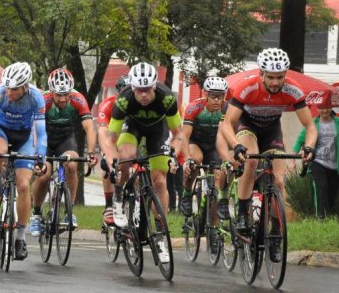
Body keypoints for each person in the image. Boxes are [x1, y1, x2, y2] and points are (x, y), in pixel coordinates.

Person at [218, 48, 316, 248]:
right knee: (251, 161)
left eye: (280, 77)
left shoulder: (293, 89)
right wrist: (236, 145)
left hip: (272, 132)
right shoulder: (247, 87)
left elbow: (310, 126)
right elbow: (228, 123)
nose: (275, 82)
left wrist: (309, 147)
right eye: (270, 77)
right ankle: (244, 212)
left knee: (278, 182)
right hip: (248, 127)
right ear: (261, 73)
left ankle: (276, 230)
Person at [108, 62, 182, 265]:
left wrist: (174, 150)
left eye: (147, 90)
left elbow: (179, 134)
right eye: (139, 90)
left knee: (159, 181)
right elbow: (110, 138)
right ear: (132, 88)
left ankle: (160, 233)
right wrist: (110, 159)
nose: (143, 95)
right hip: (132, 127)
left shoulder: (166, 97)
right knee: (126, 155)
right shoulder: (124, 99)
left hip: (158, 131)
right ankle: (118, 196)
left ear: (154, 86)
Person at [0, 62, 47, 261]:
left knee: (24, 185)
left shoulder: (36, 98)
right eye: (8, 87)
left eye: (15, 89)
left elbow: (42, 133)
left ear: (25, 87)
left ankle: (20, 238)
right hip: (1, 131)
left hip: (24, 137)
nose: (10, 92)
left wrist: (41, 158)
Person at [30, 68, 97, 235]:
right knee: (44, 175)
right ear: (51, 91)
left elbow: (89, 127)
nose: (62, 98)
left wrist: (90, 153)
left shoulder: (78, 99)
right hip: (45, 139)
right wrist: (37, 155)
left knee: (72, 164)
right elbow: (34, 130)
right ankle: (36, 214)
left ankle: (68, 211)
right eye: (58, 95)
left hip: (66, 139)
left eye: (66, 94)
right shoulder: (43, 100)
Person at [179, 76, 229, 222]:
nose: (216, 100)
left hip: (215, 146)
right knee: (195, 160)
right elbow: (185, 136)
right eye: (213, 96)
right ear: (205, 94)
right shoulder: (194, 108)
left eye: (220, 97)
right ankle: (187, 193)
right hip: (196, 142)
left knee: (218, 185)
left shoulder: (227, 109)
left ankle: (213, 229)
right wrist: (187, 158)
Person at [293, 91, 339, 219]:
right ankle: (321, 218)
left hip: (335, 164)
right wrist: (291, 159)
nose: (324, 111)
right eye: (321, 108)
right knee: (321, 188)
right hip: (317, 161)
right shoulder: (313, 124)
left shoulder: (338, 123)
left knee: (332, 192)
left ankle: (328, 217)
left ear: (331, 107)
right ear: (317, 108)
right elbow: (300, 140)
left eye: (327, 107)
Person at [97, 75, 129, 224]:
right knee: (108, 168)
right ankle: (109, 205)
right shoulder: (108, 104)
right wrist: (105, 155)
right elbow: (102, 133)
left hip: (130, 142)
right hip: (111, 141)